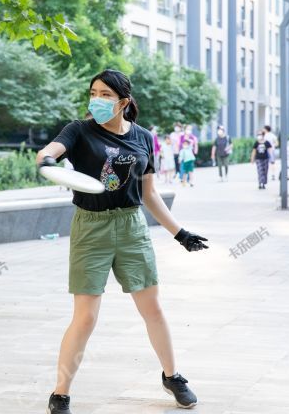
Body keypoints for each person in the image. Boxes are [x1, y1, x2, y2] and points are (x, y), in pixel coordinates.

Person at [36, 69, 208, 414]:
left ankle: (172, 377)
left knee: (153, 308)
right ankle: (60, 393)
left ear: (123, 102)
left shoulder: (144, 137)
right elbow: (47, 152)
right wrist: (48, 161)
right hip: (91, 227)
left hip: (131, 227)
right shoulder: (79, 130)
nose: (96, 100)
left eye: (105, 95)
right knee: (85, 317)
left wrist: (180, 233)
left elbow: (150, 194)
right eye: (93, 93)